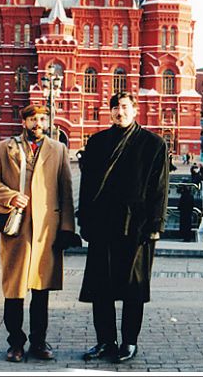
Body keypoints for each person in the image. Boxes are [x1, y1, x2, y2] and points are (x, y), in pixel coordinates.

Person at [77, 92, 169, 363]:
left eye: (125, 107)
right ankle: (106, 341)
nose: (120, 112)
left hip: (136, 225)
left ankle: (129, 341)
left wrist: (155, 224)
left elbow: (160, 187)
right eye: (115, 107)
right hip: (103, 222)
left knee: (133, 287)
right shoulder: (97, 142)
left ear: (135, 110)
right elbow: (87, 185)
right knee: (100, 286)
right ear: (110, 112)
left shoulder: (153, 144)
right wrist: (85, 220)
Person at [0, 104, 77, 363]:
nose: (38, 123)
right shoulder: (4, 149)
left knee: (41, 288)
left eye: (42, 119)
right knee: (14, 289)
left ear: (47, 122)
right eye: (33, 119)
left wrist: (67, 228)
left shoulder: (58, 149)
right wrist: (11, 197)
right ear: (23, 122)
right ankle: (15, 343)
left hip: (46, 229)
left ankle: (38, 341)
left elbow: (66, 190)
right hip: (17, 229)